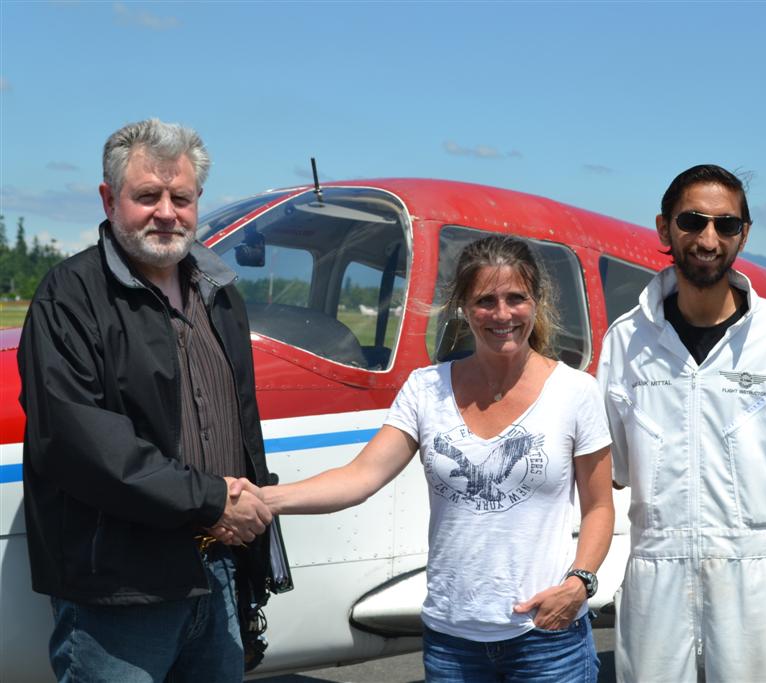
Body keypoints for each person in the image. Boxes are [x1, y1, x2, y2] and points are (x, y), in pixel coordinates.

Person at [254, 235, 614, 682]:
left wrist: (580, 584)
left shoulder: (576, 392)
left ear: (536, 302)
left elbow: (599, 507)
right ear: (462, 306)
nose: (502, 314)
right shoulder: (425, 389)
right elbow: (360, 477)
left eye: (516, 298)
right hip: (452, 642)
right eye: (485, 301)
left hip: (546, 635)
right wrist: (264, 500)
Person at [18, 118, 275, 682]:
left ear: (198, 201)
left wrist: (252, 518)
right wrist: (211, 499)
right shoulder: (70, 296)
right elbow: (78, 443)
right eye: (147, 196)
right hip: (120, 595)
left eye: (180, 197)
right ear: (110, 199)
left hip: (218, 573)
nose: (166, 212)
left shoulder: (220, 293)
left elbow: (241, 424)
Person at [597, 164, 766, 683]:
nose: (709, 238)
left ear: (744, 235)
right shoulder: (625, 341)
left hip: (760, 579)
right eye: (692, 221)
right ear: (665, 228)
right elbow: (605, 475)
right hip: (654, 575)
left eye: (726, 225)